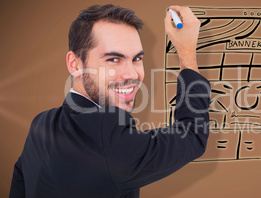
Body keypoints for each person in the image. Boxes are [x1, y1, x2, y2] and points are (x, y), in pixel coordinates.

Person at [10, 4, 210, 198]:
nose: (131, 74)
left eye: (137, 59)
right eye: (113, 59)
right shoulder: (107, 132)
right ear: (75, 64)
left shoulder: (41, 123)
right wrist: (187, 54)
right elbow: (192, 134)